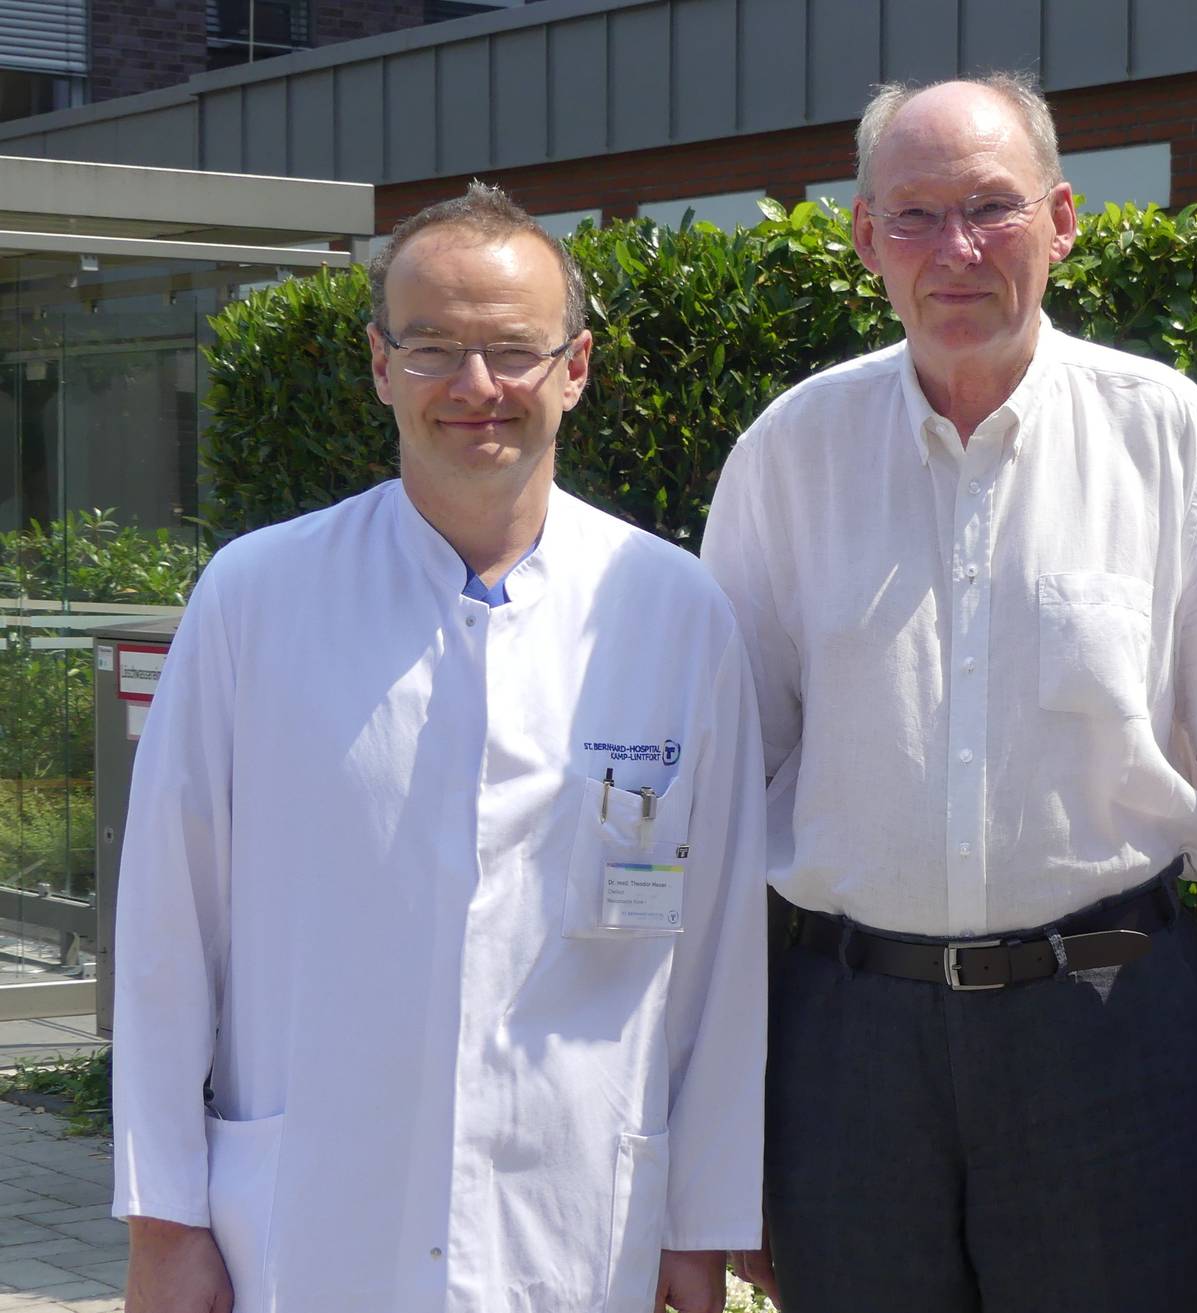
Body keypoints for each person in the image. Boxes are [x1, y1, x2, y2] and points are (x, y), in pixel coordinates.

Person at [700, 74, 1197, 1313]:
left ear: (1064, 220)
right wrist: (718, 1129)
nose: (957, 250)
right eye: (916, 216)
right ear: (866, 237)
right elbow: (715, 812)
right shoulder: (787, 457)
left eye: (992, 207)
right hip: (848, 1050)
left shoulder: (1174, 440)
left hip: (1107, 1035)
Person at [112, 182, 767, 1313]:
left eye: (514, 349)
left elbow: (717, 959)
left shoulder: (675, 610)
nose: (475, 387)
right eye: (432, 348)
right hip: (316, 1220)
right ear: (378, 364)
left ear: (576, 368)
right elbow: (170, 929)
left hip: (575, 1222)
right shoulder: (257, 595)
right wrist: (166, 1221)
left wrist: (698, 1223)